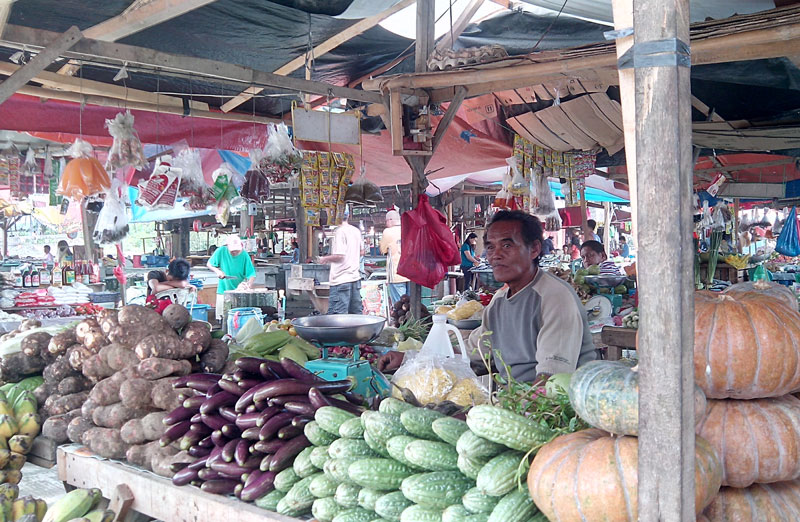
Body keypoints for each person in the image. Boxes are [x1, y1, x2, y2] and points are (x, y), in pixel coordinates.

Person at [379, 210, 598, 383]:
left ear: (534, 250)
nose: (495, 255)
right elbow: (473, 354)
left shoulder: (554, 297)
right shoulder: (500, 301)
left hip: (554, 414)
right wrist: (409, 359)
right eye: (491, 247)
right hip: (515, 402)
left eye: (507, 245)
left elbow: (551, 381)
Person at [318, 210, 364, 314]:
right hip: (355, 279)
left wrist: (324, 259)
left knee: (337, 317)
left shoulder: (339, 232)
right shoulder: (356, 230)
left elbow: (340, 256)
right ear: (348, 216)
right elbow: (362, 251)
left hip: (341, 280)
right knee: (356, 315)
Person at [207, 236, 257, 320]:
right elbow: (209, 264)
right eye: (232, 251)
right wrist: (218, 271)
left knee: (238, 319)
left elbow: (251, 274)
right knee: (221, 318)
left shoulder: (244, 255)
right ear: (227, 247)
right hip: (223, 291)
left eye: (237, 250)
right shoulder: (221, 251)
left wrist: (248, 286)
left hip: (239, 294)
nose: (235, 252)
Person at [379, 210, 408, 304]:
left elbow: (383, 250)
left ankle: (402, 319)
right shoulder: (408, 229)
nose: (386, 224)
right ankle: (411, 319)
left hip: (396, 274)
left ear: (390, 220)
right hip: (411, 273)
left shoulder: (387, 232)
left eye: (386, 221)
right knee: (410, 304)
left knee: (399, 305)